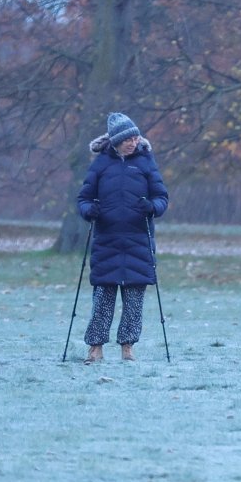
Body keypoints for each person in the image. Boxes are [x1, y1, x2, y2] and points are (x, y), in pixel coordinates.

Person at [77, 112, 169, 363]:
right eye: (129, 138)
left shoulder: (146, 162)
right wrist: (89, 211)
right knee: (103, 300)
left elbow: (162, 197)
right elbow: (83, 199)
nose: (134, 141)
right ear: (117, 140)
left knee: (134, 301)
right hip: (107, 241)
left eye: (136, 137)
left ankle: (127, 348)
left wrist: (152, 206)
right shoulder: (100, 164)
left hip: (138, 241)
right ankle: (95, 348)